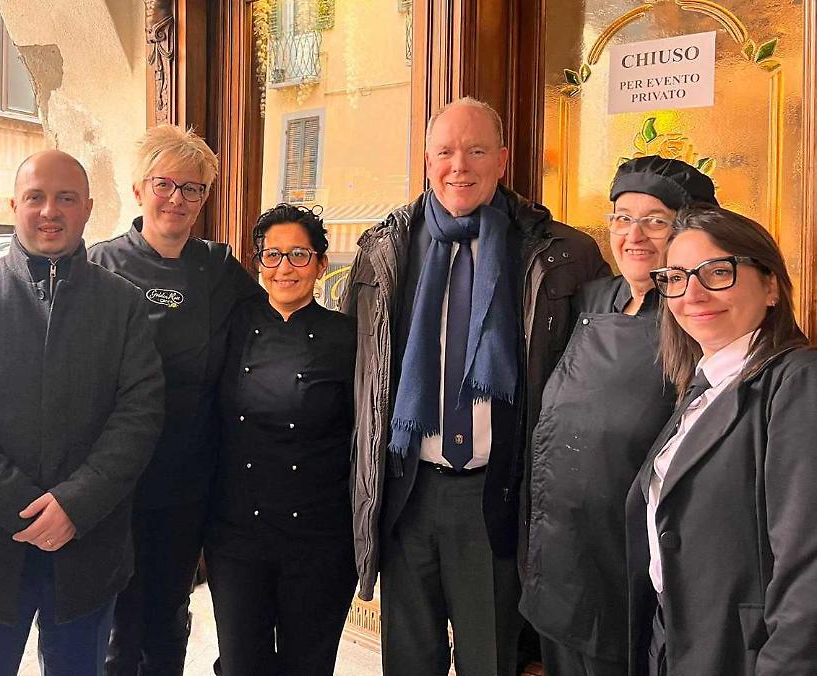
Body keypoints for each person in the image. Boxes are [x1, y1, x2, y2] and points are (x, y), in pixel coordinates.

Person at [340, 97, 608, 676]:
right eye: (445, 151)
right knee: (409, 663)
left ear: (503, 160)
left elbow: (595, 378)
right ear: (428, 161)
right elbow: (357, 375)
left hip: (499, 494)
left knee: (493, 659)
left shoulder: (560, 254)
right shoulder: (384, 250)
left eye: (477, 150)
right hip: (407, 492)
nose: (459, 165)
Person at [0, 149, 165, 675]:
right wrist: (22, 506)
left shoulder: (123, 304)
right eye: (36, 197)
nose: (50, 211)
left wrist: (75, 504)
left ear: (88, 208)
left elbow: (139, 414)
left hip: (88, 545)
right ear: (14, 205)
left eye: (66, 198)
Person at [519, 156, 717, 675]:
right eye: (621, 218)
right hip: (560, 548)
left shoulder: (697, 316)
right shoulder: (594, 296)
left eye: (655, 220)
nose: (635, 235)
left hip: (631, 559)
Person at [87, 124, 262, 676]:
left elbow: (271, 323)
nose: (178, 200)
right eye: (166, 184)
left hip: (187, 478)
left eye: (193, 189)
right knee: (112, 618)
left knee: (168, 615)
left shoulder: (217, 268)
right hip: (112, 479)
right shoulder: (99, 265)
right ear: (140, 189)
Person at [626, 205, 817, 675]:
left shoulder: (797, 383)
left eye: (717, 272)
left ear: (770, 285)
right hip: (675, 640)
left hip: (745, 653)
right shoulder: (703, 387)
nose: (693, 294)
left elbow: (808, 566)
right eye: (676, 276)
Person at [206, 203, 357, 675]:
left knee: (307, 665)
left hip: (318, 536)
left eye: (298, 255)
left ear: (320, 264)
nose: (284, 268)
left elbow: (365, 437)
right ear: (258, 264)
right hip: (237, 536)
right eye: (272, 256)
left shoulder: (348, 337)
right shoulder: (230, 330)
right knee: (240, 663)